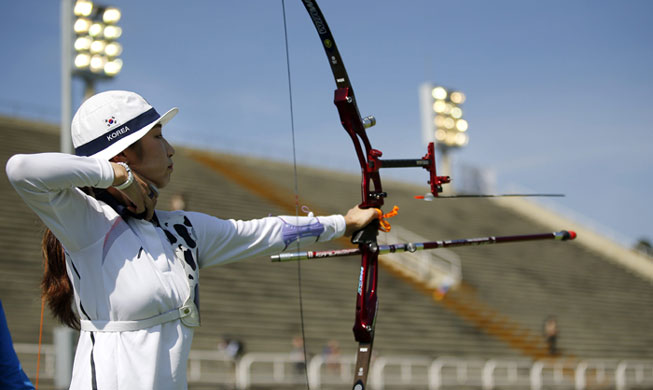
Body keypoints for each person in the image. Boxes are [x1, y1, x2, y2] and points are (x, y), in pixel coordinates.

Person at [5, 90, 377, 390]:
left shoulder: (182, 229)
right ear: (123, 153)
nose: (170, 150)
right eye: (157, 137)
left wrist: (342, 224)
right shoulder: (87, 223)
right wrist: (118, 176)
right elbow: (21, 170)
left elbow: (263, 232)